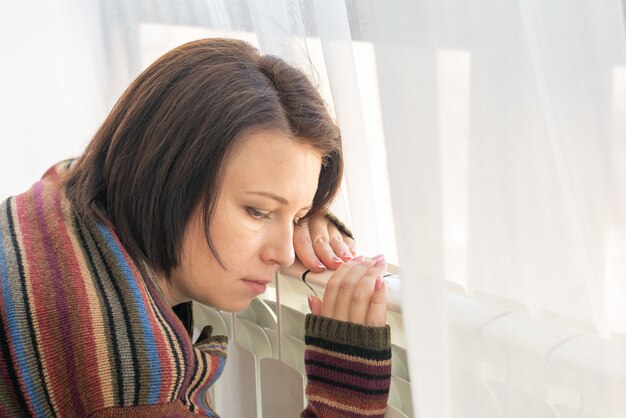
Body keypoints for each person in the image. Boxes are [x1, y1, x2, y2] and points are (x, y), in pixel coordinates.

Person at [0, 38, 391, 417]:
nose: (286, 253)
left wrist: (291, 209)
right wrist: (346, 395)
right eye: (256, 211)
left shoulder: (64, 193)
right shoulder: (131, 383)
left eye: (298, 216)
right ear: (165, 177)